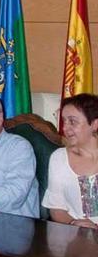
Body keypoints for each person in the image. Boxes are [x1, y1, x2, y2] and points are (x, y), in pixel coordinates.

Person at [42, 93, 98, 227]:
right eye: (63, 121)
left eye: (72, 121)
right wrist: (74, 224)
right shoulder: (59, 158)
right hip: (71, 235)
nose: (65, 128)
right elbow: (56, 209)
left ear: (95, 124)